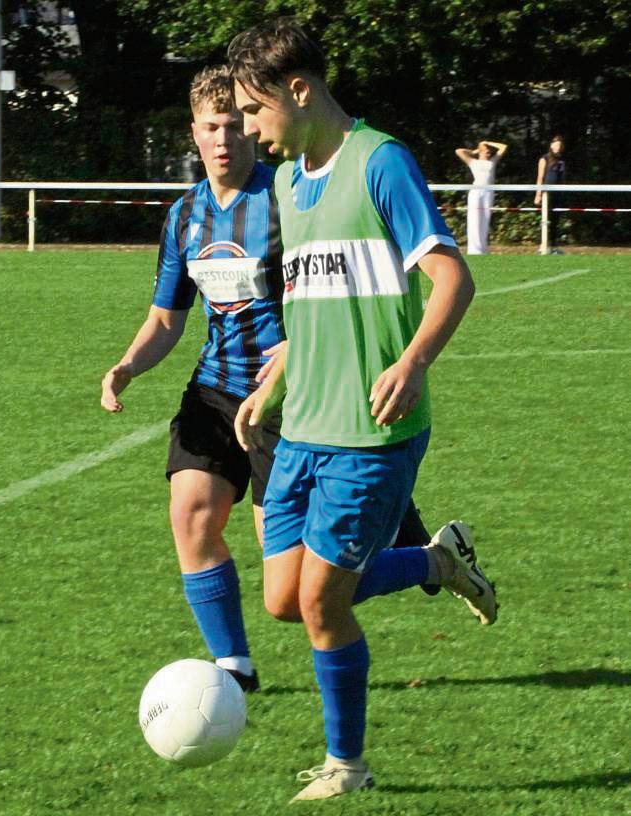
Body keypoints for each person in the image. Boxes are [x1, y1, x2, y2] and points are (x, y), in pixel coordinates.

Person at [99, 65, 462, 696]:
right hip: (216, 388)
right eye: (211, 126)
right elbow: (166, 316)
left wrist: (297, 353)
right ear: (193, 133)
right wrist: (129, 364)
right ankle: (232, 669)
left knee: (295, 593)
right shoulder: (185, 217)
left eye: (236, 123)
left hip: (293, 399)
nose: (224, 138)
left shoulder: (286, 193)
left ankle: (432, 559)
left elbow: (322, 288)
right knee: (191, 513)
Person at [229, 19, 498, 802]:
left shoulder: (382, 164)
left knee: (321, 600)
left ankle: (346, 763)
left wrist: (412, 362)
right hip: (301, 428)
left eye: (254, 111)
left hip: (372, 435)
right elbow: (308, 301)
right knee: (284, 599)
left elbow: (454, 281)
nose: (249, 130)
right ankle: (437, 561)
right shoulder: (285, 183)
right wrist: (272, 381)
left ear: (299, 90)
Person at [455, 139, 508, 255]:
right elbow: (459, 151)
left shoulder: (492, 161)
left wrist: (489, 143)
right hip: (476, 191)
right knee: (474, 219)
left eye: (489, 150)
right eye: (485, 150)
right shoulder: (473, 161)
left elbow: (503, 147)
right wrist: (474, 151)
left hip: (488, 192)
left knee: (485, 218)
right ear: (480, 151)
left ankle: (483, 249)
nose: (487, 151)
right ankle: (474, 250)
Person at [534, 135, 566, 254]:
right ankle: (542, 245)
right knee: (545, 219)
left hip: (558, 194)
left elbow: (562, 179)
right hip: (547, 194)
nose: (558, 147)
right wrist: (538, 194)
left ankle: (553, 246)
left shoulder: (562, 160)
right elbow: (540, 177)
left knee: (555, 220)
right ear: (551, 145)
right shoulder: (544, 159)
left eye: (560, 145)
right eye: (556, 145)